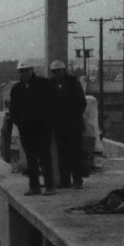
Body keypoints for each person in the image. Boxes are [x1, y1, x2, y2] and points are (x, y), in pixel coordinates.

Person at [7, 61, 56, 196]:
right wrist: (19, 123)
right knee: (31, 159)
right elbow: (13, 109)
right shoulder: (16, 89)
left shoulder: (43, 84)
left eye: (26, 71)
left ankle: (50, 186)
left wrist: (48, 123)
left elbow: (53, 104)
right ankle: (34, 187)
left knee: (45, 158)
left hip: (42, 129)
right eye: (21, 71)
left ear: (31, 70)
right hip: (26, 130)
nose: (24, 74)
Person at [48, 60, 87, 189]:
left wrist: (73, 116)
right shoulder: (51, 84)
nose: (56, 74)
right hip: (59, 126)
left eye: (58, 71)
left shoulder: (73, 83)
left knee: (76, 153)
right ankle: (65, 181)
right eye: (54, 72)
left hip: (74, 125)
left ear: (63, 71)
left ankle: (77, 180)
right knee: (62, 155)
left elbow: (81, 102)